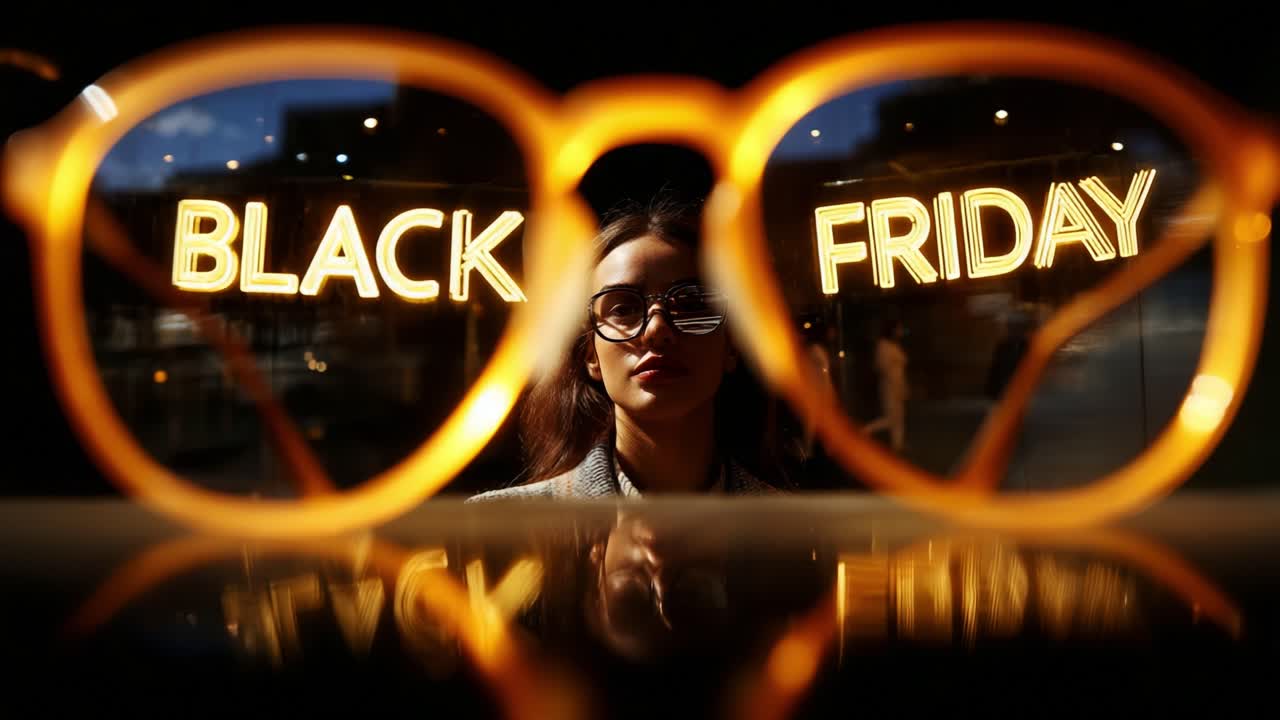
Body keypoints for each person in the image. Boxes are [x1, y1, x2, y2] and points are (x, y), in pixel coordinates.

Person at [469, 199, 782, 500]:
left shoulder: (801, 540)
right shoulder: (498, 532)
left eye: (690, 304)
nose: (656, 331)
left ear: (730, 344)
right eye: (623, 309)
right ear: (590, 353)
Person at [863, 318, 908, 453]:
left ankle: (897, 445)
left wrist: (903, 386)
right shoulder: (883, 346)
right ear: (892, 330)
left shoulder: (893, 345)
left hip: (898, 385)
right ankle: (864, 430)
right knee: (890, 418)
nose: (901, 331)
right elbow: (882, 367)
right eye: (899, 328)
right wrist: (895, 384)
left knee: (899, 417)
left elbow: (899, 367)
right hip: (890, 387)